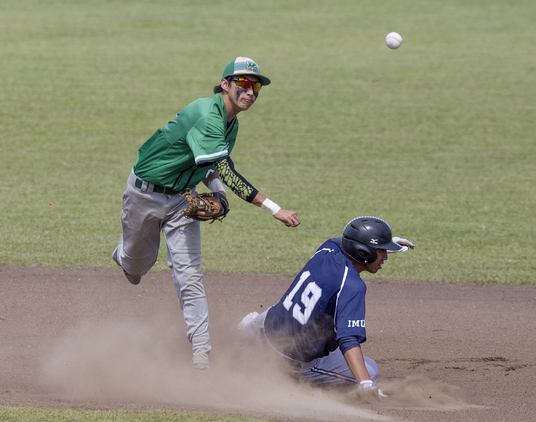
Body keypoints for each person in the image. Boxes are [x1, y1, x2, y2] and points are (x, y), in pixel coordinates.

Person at [112, 57, 300, 370]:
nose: (250, 91)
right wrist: (274, 208)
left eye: (255, 86)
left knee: (189, 277)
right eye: (242, 83)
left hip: (182, 200)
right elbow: (226, 171)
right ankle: (124, 254)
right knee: (135, 268)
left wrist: (218, 196)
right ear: (225, 84)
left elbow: (211, 166)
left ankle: (201, 359)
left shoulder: (231, 124)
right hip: (144, 194)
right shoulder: (205, 114)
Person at [237, 216, 414, 391]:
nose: (385, 257)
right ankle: (286, 380)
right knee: (371, 370)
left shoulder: (328, 248)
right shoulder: (352, 286)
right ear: (364, 252)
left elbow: (348, 240)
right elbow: (348, 339)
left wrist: (386, 241)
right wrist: (365, 384)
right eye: (381, 250)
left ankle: (246, 334)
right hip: (286, 360)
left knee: (277, 313)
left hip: (266, 326)